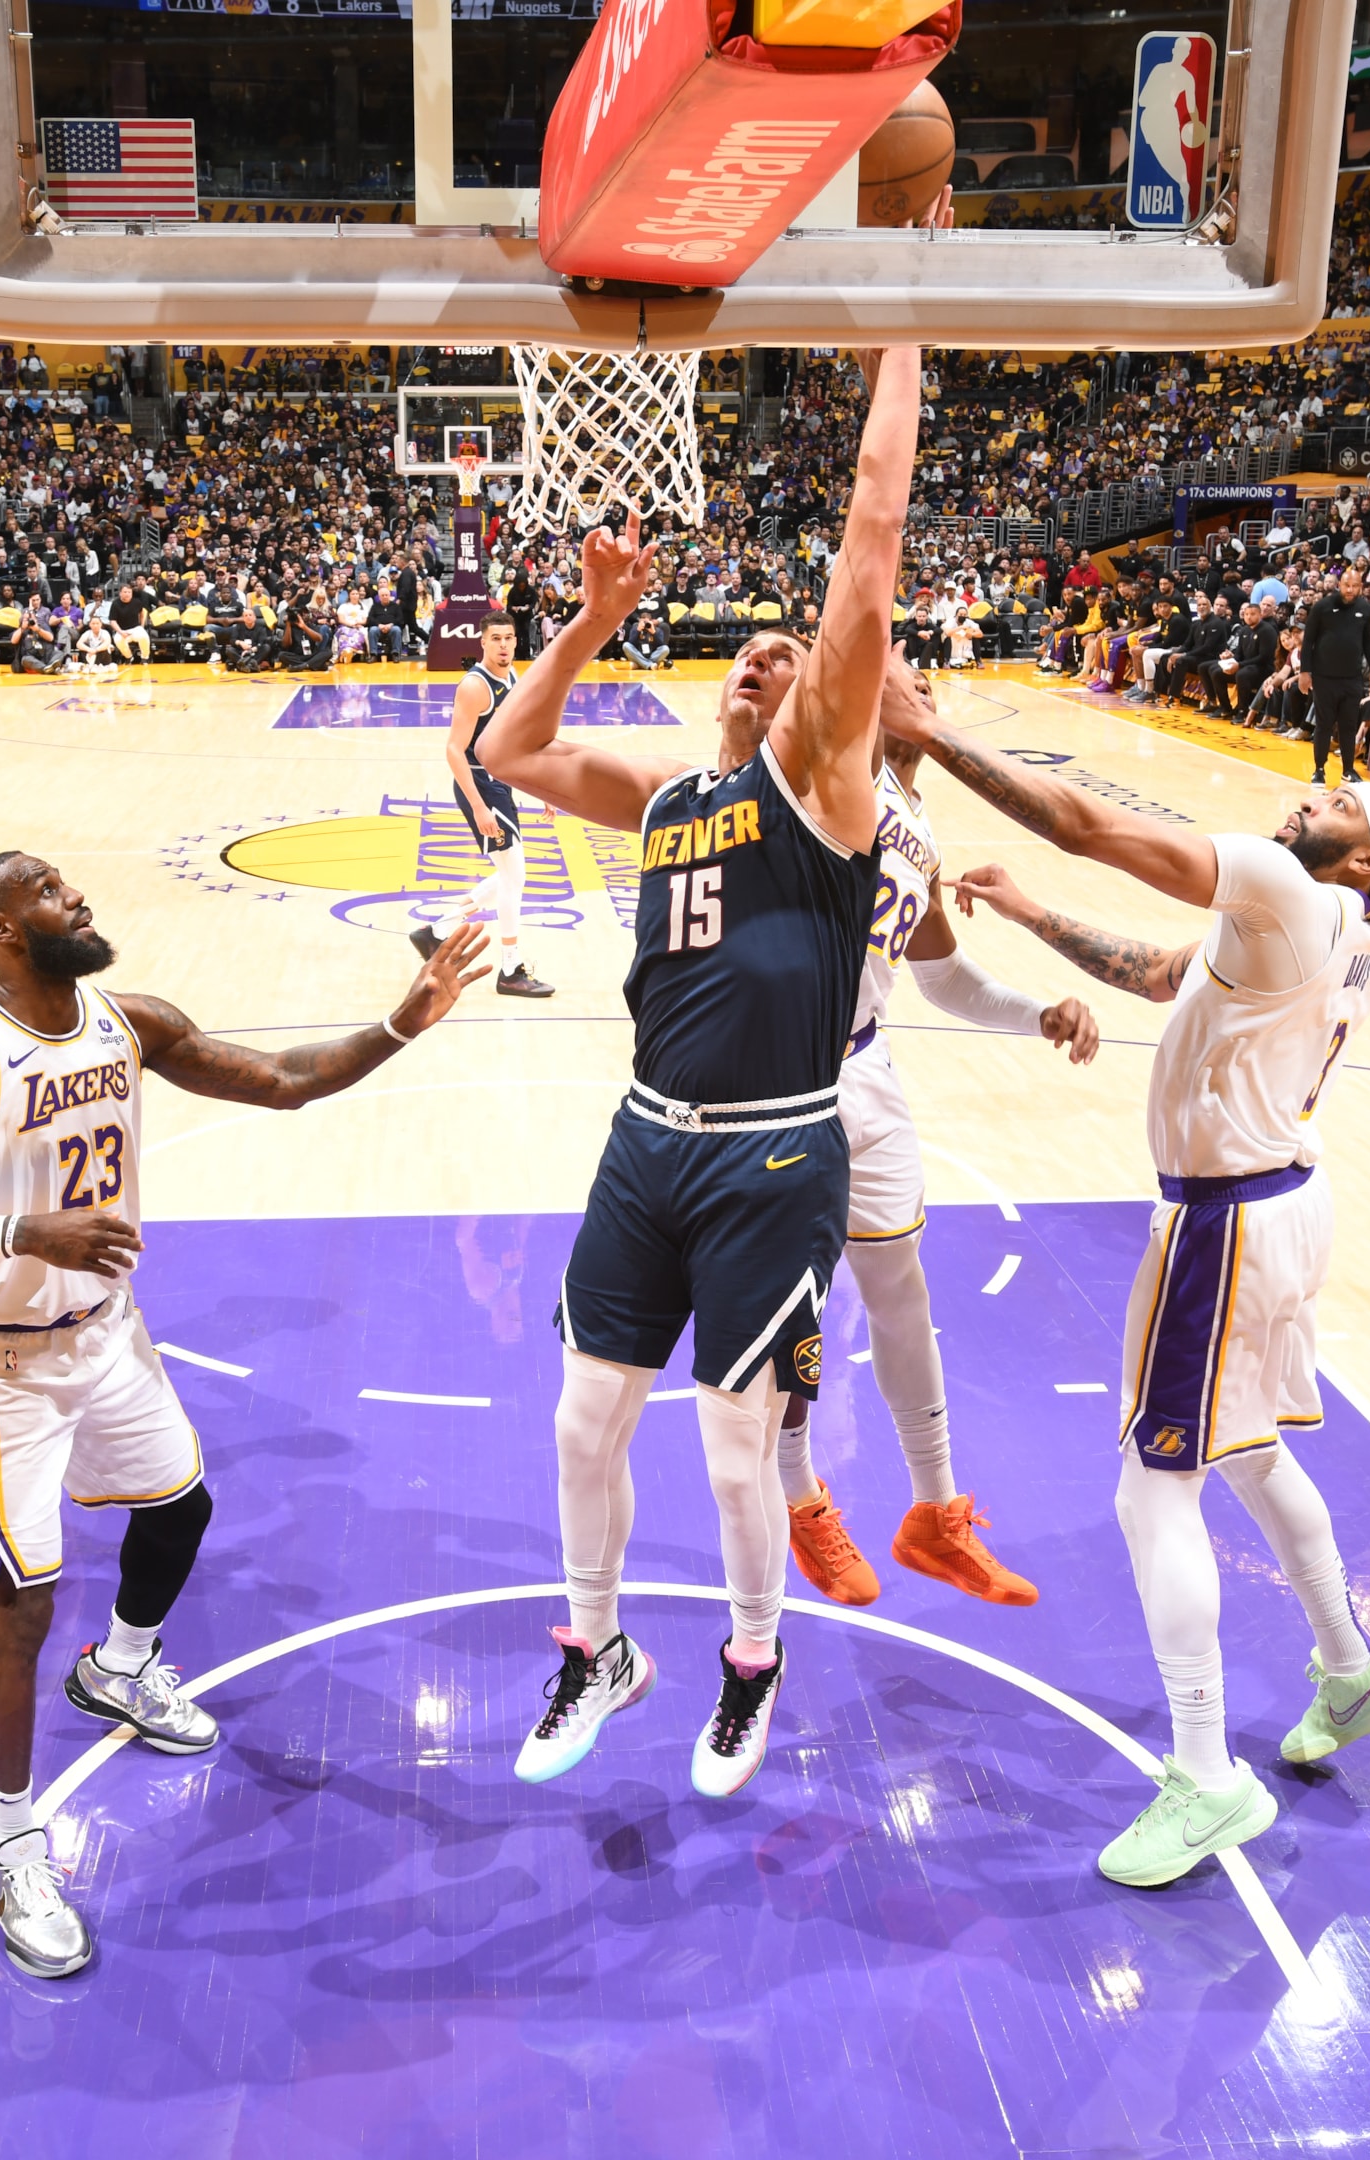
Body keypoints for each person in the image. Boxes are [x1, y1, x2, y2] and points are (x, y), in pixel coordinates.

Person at [0, 854, 490, 1981]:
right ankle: (14, 1843)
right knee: (15, 1604)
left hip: (107, 1329)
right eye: (48, 891)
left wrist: (401, 1022)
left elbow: (282, 1078)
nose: (77, 894)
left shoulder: (126, 1020)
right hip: (1, 1363)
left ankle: (124, 1666)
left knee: (179, 1505)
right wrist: (17, 1236)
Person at [882, 683, 1370, 1886]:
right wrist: (1029, 916)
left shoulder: (1295, 891)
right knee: (1247, 1454)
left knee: (1152, 1492)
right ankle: (1351, 1669)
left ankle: (1205, 1777)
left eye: (1336, 804)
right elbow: (1157, 972)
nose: (1309, 799)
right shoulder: (1351, 942)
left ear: (1363, 865)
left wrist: (932, 739)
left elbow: (1087, 822)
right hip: (1284, 1206)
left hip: (1225, 1227)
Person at [473, 344, 922, 1799]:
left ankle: (749, 1667)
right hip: (646, 1140)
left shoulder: (829, 797)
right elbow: (510, 745)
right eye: (753, 652)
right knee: (579, 1420)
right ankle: (594, 1650)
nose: (772, 663)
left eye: (797, 663)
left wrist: (902, 330)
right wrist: (594, 618)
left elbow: (870, 539)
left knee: (741, 1452)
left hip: (778, 1159)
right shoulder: (671, 797)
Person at [779, 661, 1094, 1613]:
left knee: (901, 1296)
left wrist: (1039, 1010)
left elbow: (945, 979)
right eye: (884, 674)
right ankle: (802, 1505)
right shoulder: (828, 781)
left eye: (913, 677)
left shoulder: (914, 819)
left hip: (868, 1074)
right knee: (789, 1318)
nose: (902, 685)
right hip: (784, 1081)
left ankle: (933, 1515)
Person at [405, 616, 553, 999]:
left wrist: (544, 788)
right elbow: (454, 750)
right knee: (514, 875)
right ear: (483, 643)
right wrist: (479, 806)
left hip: (500, 783)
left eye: (508, 638)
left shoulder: (512, 677)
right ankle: (510, 969)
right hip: (480, 784)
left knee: (512, 876)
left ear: (516, 642)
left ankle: (437, 930)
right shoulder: (474, 686)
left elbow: (520, 742)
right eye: (495, 639)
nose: (503, 645)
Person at [1299, 564, 1370, 785]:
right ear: (1339, 584)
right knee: (1324, 724)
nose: (1350, 590)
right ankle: (1319, 769)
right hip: (1324, 677)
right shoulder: (1323, 607)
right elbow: (1308, 641)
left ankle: (1348, 769)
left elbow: (1368, 642)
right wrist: (1305, 671)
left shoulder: (1365, 608)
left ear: (1361, 587)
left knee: (1348, 725)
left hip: (1352, 678)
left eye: (1355, 586)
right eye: (1346, 585)